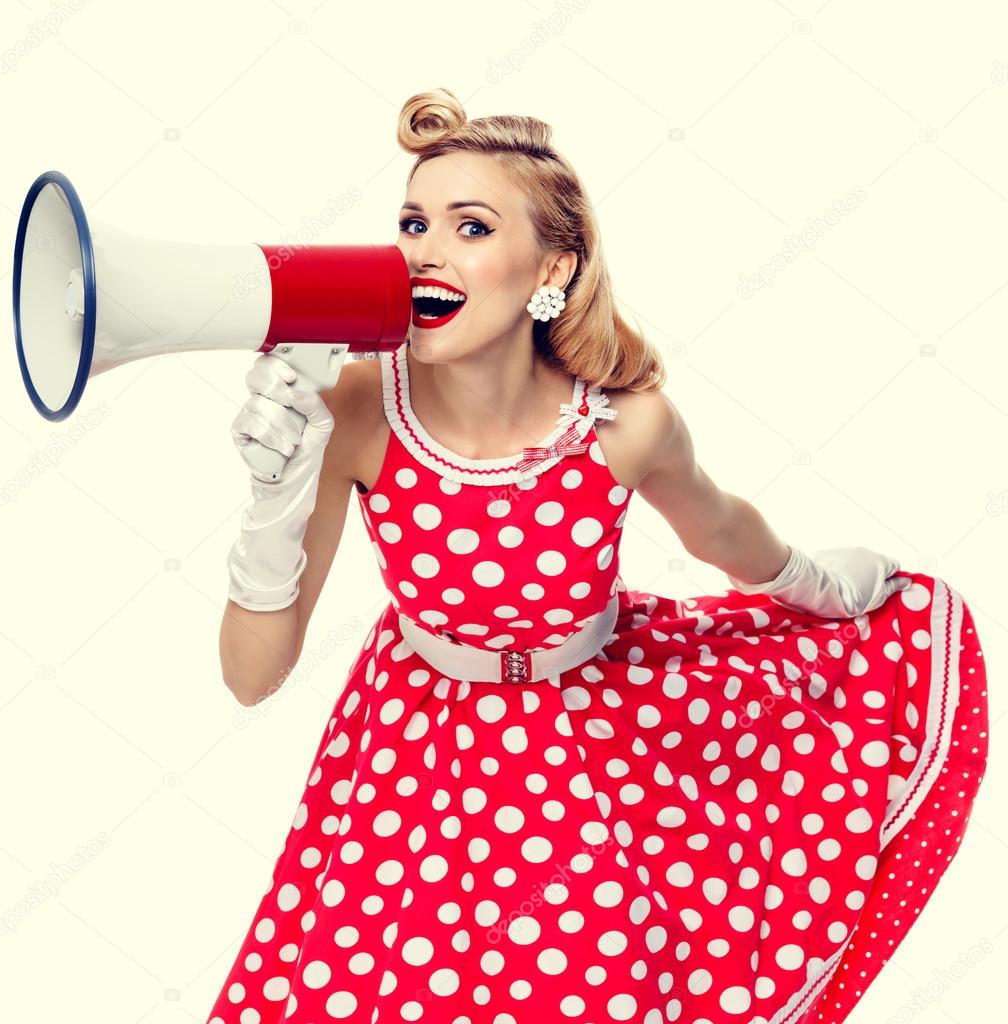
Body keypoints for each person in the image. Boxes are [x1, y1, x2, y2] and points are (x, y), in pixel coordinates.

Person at [205, 88, 988, 1024]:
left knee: (584, 982)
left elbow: (724, 532)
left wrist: (830, 586)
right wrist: (271, 505)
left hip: (593, 745)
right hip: (414, 759)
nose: (424, 251)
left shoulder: (625, 423)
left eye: (471, 226)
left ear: (553, 266)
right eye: (414, 222)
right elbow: (251, 680)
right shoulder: (358, 413)